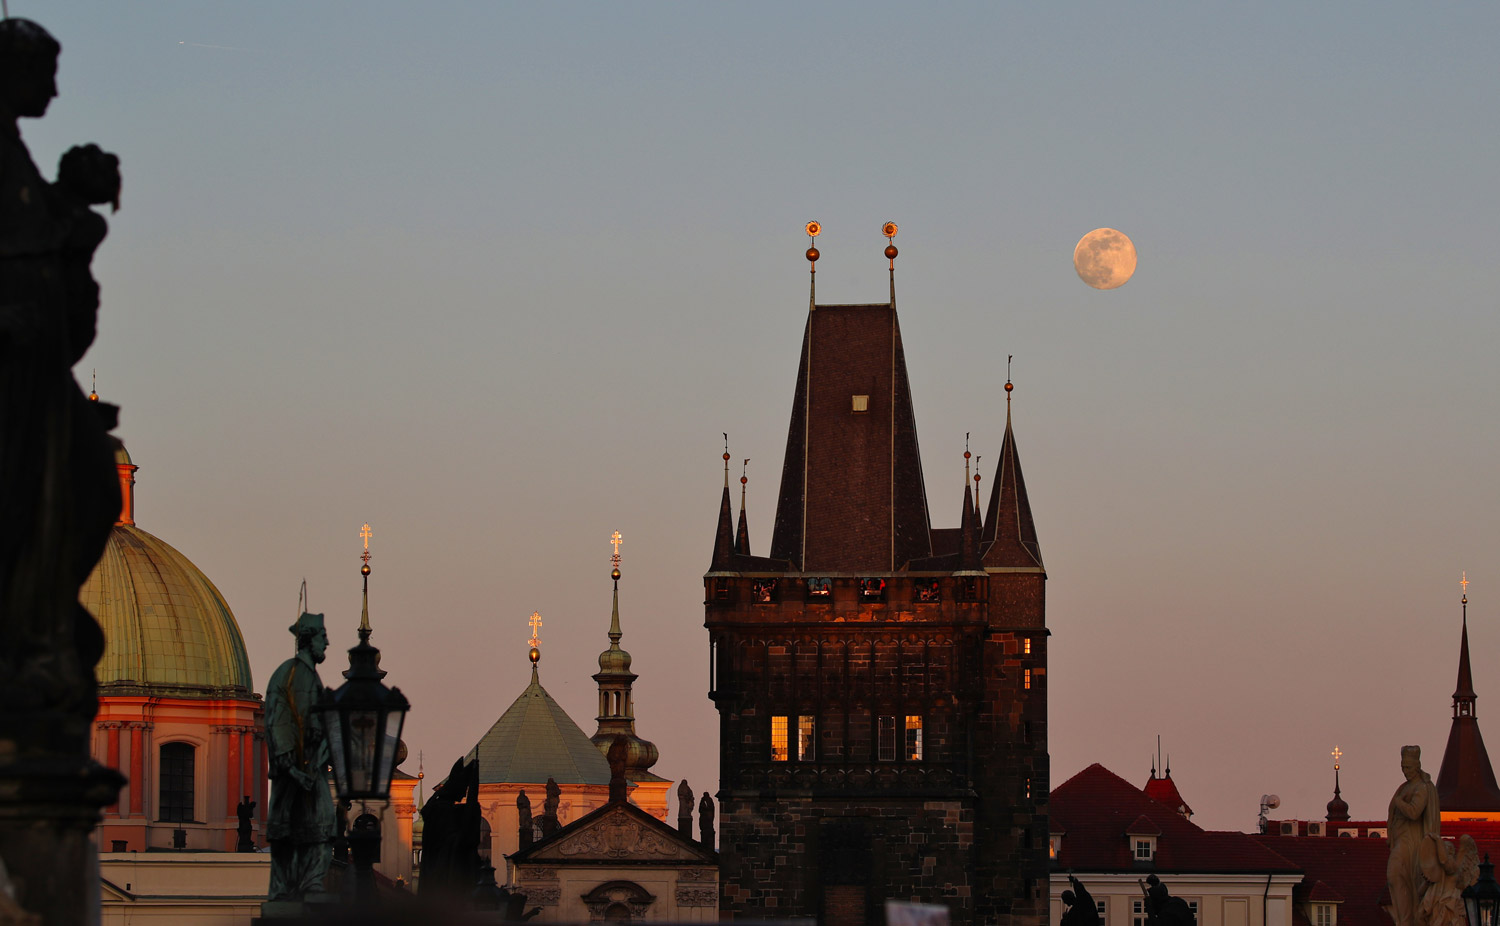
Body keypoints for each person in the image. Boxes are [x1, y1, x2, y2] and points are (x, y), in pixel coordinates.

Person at [264, 612, 334, 902]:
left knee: (317, 825)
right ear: (308, 640)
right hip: (296, 770)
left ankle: (306, 884)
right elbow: (278, 720)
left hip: (309, 767)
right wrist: (291, 767)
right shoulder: (291, 673)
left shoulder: (306, 674)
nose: (327, 643)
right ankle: (298, 886)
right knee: (296, 830)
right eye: (322, 637)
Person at [1387, 745, 1443, 926]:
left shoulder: (1422, 787)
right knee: (1396, 878)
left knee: (1396, 875)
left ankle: (1408, 920)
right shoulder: (1404, 787)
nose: (1405, 771)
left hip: (1412, 843)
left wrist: (1398, 802)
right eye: (1403, 767)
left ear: (1417, 766)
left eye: (1408, 768)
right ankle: (1404, 920)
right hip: (1401, 841)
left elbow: (1414, 812)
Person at [1421, 834, 1479, 926]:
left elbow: (1444, 861)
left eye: (1445, 848)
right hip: (1438, 902)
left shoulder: (1453, 865)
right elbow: (1419, 892)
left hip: (1449, 903)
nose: (1442, 850)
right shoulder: (1439, 870)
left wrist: (1438, 840)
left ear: (1451, 851)